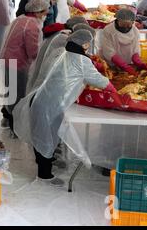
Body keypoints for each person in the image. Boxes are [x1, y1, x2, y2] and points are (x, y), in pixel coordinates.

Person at [13, 30, 117, 187]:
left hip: (43, 99)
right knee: (45, 139)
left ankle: (47, 164)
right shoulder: (82, 61)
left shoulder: (64, 53)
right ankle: (44, 175)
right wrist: (116, 93)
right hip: (49, 104)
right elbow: (101, 82)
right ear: (85, 44)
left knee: (44, 136)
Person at [0, 0, 49, 131]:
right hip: (17, 63)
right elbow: (33, 51)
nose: (46, 15)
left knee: (9, 92)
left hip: (7, 60)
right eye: (45, 12)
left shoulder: (20, 19)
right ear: (38, 12)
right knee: (17, 95)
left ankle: (7, 119)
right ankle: (15, 126)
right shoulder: (32, 26)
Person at [26, 16, 88, 95]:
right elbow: (77, 53)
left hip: (42, 66)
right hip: (44, 70)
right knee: (37, 91)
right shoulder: (63, 36)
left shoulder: (60, 30)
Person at [100, 8, 147, 75]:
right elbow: (109, 52)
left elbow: (135, 50)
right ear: (117, 21)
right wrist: (124, 66)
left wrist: (138, 62)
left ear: (133, 22)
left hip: (128, 63)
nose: (125, 27)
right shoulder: (108, 31)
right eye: (123, 25)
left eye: (128, 25)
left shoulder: (135, 31)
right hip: (111, 65)